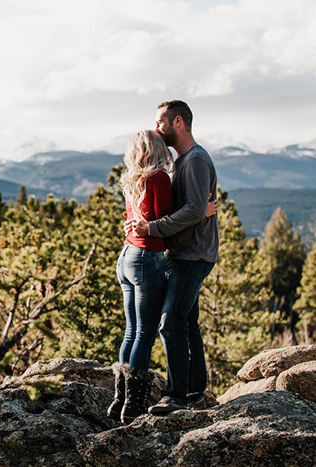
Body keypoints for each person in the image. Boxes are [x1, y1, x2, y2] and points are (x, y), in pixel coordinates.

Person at [130, 100, 220, 414]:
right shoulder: (183, 161)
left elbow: (195, 210)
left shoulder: (194, 160)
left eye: (161, 122)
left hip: (193, 256)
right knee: (188, 323)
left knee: (169, 323)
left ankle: (176, 396)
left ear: (178, 122)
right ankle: (195, 392)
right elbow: (195, 209)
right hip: (185, 252)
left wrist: (152, 228)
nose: (157, 128)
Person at [107, 130, 174, 424]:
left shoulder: (131, 180)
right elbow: (165, 222)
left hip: (126, 257)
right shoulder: (158, 178)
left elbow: (133, 219)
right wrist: (202, 213)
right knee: (145, 333)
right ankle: (133, 406)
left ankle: (118, 400)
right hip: (147, 258)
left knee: (131, 331)